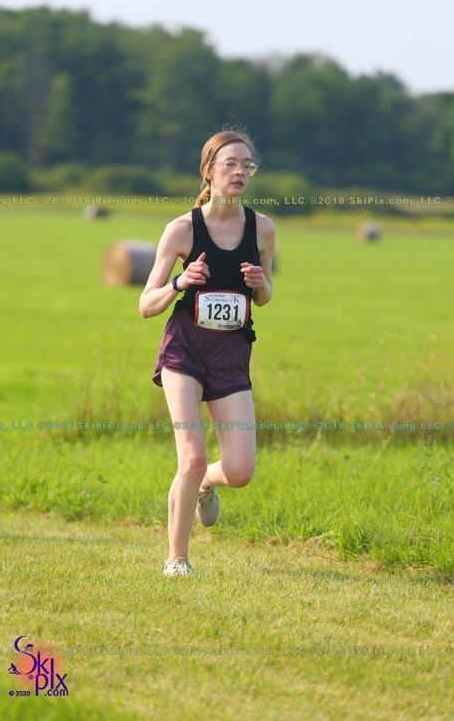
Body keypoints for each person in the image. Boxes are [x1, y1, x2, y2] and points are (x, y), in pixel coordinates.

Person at [139, 129, 276, 576]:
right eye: (230, 164)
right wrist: (180, 282)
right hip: (185, 351)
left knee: (240, 471)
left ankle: (204, 486)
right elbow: (145, 304)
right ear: (208, 171)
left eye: (247, 165)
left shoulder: (262, 228)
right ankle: (177, 560)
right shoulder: (182, 229)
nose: (239, 172)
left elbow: (265, 297)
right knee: (192, 457)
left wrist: (261, 284)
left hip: (231, 354)